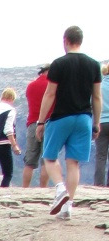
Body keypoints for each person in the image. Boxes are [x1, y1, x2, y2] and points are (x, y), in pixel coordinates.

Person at [36, 25, 103, 219]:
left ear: (65, 40)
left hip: (61, 117)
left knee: (49, 157)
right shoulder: (93, 65)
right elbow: (96, 97)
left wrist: (41, 122)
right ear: (80, 41)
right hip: (84, 118)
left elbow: (50, 93)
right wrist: (95, 123)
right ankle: (68, 208)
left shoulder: (59, 64)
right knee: (73, 163)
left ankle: (59, 189)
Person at [22, 65, 51, 187]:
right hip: (49, 123)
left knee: (29, 161)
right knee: (47, 159)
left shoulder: (30, 86)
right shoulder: (53, 85)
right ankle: (43, 189)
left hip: (33, 123)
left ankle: (24, 189)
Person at [95, 62, 109, 185]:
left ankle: (98, 185)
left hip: (101, 123)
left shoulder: (100, 86)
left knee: (100, 156)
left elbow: (93, 102)